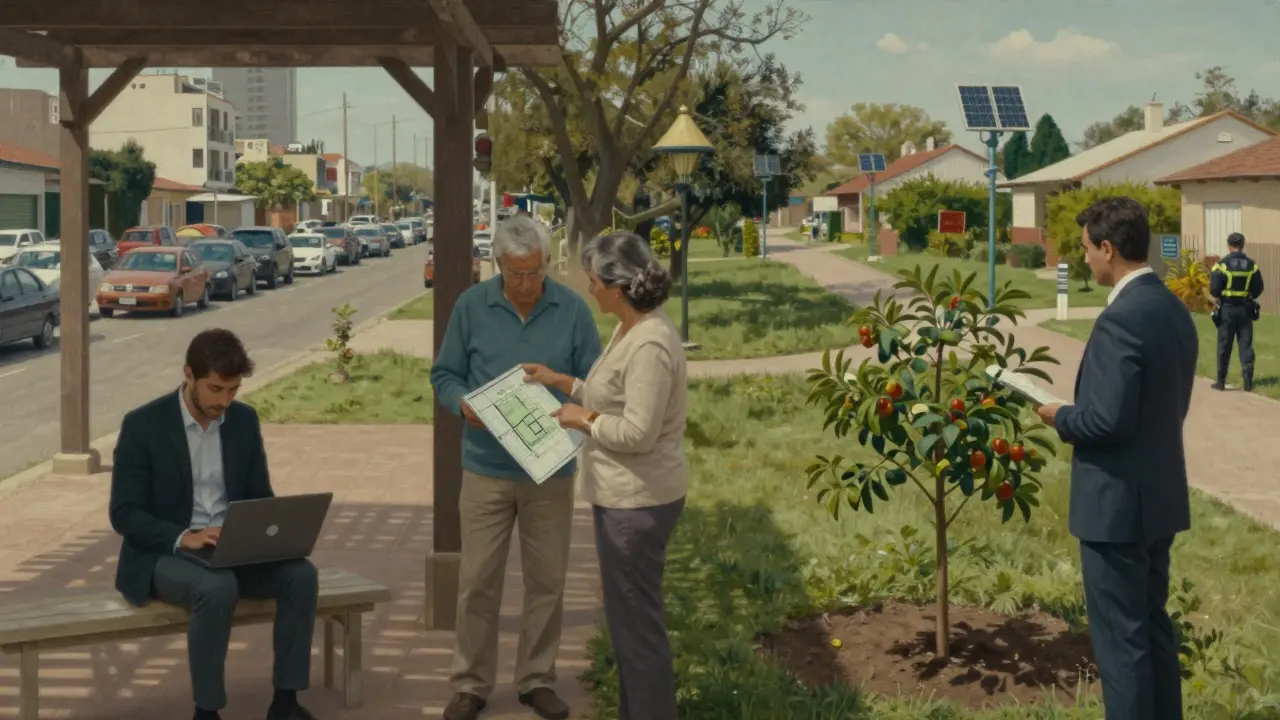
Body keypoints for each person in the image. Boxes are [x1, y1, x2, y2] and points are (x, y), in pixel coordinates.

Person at [430, 215, 602, 720]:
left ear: (546, 264)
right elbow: (445, 374)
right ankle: (470, 683)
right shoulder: (470, 307)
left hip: (550, 469)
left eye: (533, 272)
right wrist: (462, 402)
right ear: (497, 265)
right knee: (478, 579)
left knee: (547, 581)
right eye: (515, 273)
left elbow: (594, 380)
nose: (525, 284)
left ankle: (536, 679)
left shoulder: (571, 309)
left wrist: (562, 383)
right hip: (485, 468)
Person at [1035, 197, 1197, 720]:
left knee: (1122, 648)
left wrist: (1058, 414)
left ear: (1108, 249)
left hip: (1115, 509)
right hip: (1160, 498)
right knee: (1152, 632)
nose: (1084, 259)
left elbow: (1106, 422)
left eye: (1086, 249)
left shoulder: (1119, 320)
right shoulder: (1173, 309)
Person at [108, 329, 319, 720]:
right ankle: (207, 711)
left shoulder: (242, 420)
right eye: (215, 389)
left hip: (232, 544)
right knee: (217, 587)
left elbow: (259, 494)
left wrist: (269, 531)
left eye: (233, 390)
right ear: (188, 374)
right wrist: (182, 536)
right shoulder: (143, 425)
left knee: (301, 575)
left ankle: (286, 702)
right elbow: (124, 513)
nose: (224, 401)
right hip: (165, 553)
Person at [523, 231, 687, 720]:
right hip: (623, 498)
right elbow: (610, 392)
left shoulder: (650, 345)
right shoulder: (630, 327)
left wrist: (583, 419)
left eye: (592, 281)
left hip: (637, 503)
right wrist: (562, 382)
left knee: (637, 631)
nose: (588, 289)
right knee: (628, 626)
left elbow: (637, 431)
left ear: (617, 287)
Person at [1209, 231, 1264, 391]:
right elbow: (1258, 289)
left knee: (1224, 344)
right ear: (1243, 244)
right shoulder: (1252, 265)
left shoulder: (1221, 265)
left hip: (1227, 309)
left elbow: (1214, 290)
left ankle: (1220, 382)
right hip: (1245, 309)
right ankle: (1248, 381)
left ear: (1229, 245)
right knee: (1245, 344)